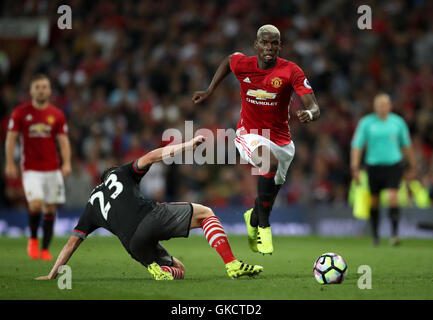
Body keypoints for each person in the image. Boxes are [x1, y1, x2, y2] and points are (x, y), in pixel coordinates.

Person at [36, 136, 263, 281]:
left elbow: (71, 243)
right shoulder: (121, 172)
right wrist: (187, 144)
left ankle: (160, 270)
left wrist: (52, 273)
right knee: (206, 213)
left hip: (134, 246)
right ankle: (232, 264)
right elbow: (152, 156)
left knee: (179, 271)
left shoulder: (91, 207)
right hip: (149, 218)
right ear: (112, 173)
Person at [192, 25, 320, 255]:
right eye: (265, 43)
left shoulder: (291, 71)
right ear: (256, 45)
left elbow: (314, 106)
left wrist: (309, 114)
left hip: (281, 141)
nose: (269, 48)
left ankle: (253, 219)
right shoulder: (244, 64)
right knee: (268, 163)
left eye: (274, 43)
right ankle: (264, 226)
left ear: (280, 46)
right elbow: (229, 60)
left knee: (267, 199)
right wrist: (210, 89)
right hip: (248, 135)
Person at [5, 74, 71, 260]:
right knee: (35, 205)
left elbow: (63, 141)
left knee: (50, 208)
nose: (41, 90)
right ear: (32, 90)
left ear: (49, 90)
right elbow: (11, 138)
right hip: (31, 168)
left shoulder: (56, 114)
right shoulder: (20, 112)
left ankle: (45, 249)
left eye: (44, 87)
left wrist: (66, 163)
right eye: (38, 87)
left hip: (52, 168)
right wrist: (10, 162)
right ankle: (33, 239)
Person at [350, 93, 417, 246]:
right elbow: (357, 146)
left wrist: (413, 166)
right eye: (379, 105)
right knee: (374, 201)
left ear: (390, 106)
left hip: (394, 164)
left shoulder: (398, 123)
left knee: (393, 197)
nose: (382, 107)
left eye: (385, 104)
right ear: (374, 107)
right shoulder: (366, 123)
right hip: (373, 166)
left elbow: (407, 145)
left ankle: (394, 234)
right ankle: (375, 236)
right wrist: (354, 167)